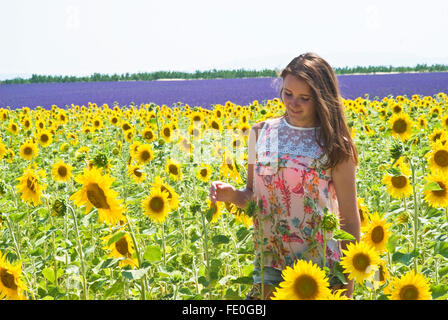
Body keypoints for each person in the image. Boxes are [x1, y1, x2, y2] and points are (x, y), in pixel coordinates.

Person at [209, 52, 361, 300]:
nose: (293, 103)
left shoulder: (335, 145)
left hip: (320, 269)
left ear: (322, 99)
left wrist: (347, 286)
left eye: (304, 98)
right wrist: (233, 195)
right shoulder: (260, 134)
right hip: (270, 262)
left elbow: (350, 221)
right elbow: (254, 198)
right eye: (287, 94)